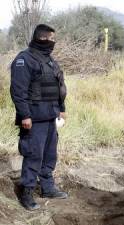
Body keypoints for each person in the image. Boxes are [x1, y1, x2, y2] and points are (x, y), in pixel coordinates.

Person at [10, 24, 68, 211]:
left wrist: (61, 108)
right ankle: (26, 192)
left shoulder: (50, 60)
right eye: (52, 39)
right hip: (33, 119)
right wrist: (25, 115)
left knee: (49, 156)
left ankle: (47, 187)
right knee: (34, 155)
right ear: (43, 38)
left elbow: (58, 85)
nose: (53, 42)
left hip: (51, 117)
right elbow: (18, 91)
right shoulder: (24, 60)